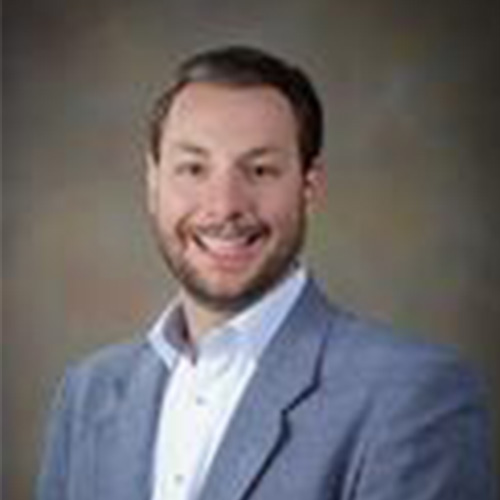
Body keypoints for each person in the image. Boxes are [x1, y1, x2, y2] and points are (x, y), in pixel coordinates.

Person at [37, 45, 495, 500]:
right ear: (153, 184)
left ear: (308, 188)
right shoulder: (87, 393)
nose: (224, 206)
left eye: (259, 170)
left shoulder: (413, 395)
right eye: (193, 168)